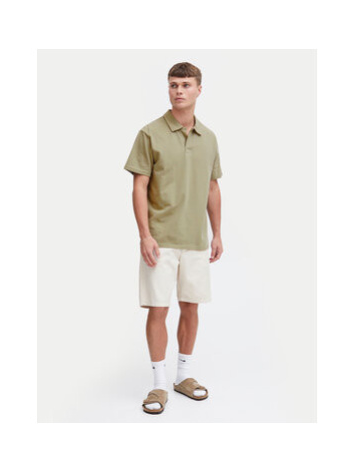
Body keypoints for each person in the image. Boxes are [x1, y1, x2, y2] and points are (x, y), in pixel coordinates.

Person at [123, 62, 223, 415]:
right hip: (160, 239)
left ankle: (183, 376)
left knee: (191, 307)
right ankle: (159, 384)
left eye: (185, 85)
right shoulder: (150, 133)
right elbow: (139, 186)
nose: (179, 91)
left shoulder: (209, 138)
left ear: (199, 89)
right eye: (173, 85)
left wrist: (217, 233)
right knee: (158, 309)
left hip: (195, 240)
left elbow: (212, 187)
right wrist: (145, 235)